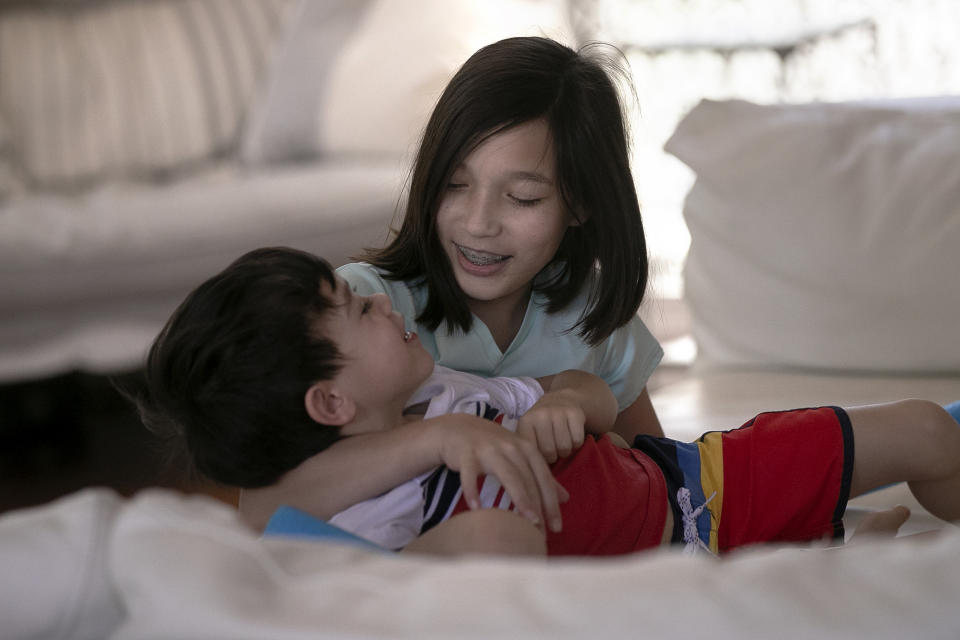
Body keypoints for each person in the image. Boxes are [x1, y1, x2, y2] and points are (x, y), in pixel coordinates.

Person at [134, 247, 960, 556]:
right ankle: (839, 543)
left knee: (925, 429)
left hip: (699, 487)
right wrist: (435, 450)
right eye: (358, 311)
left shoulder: (440, 392)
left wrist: (569, 400)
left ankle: (842, 534)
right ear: (329, 402)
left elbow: (596, 395)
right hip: (671, 559)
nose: (383, 303)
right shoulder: (357, 522)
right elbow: (262, 520)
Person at [260, 36, 665, 534]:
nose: (478, 223)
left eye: (522, 198)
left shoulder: (594, 316)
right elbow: (257, 509)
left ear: (580, 203)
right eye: (454, 184)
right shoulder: (365, 310)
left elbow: (662, 476)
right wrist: (439, 438)